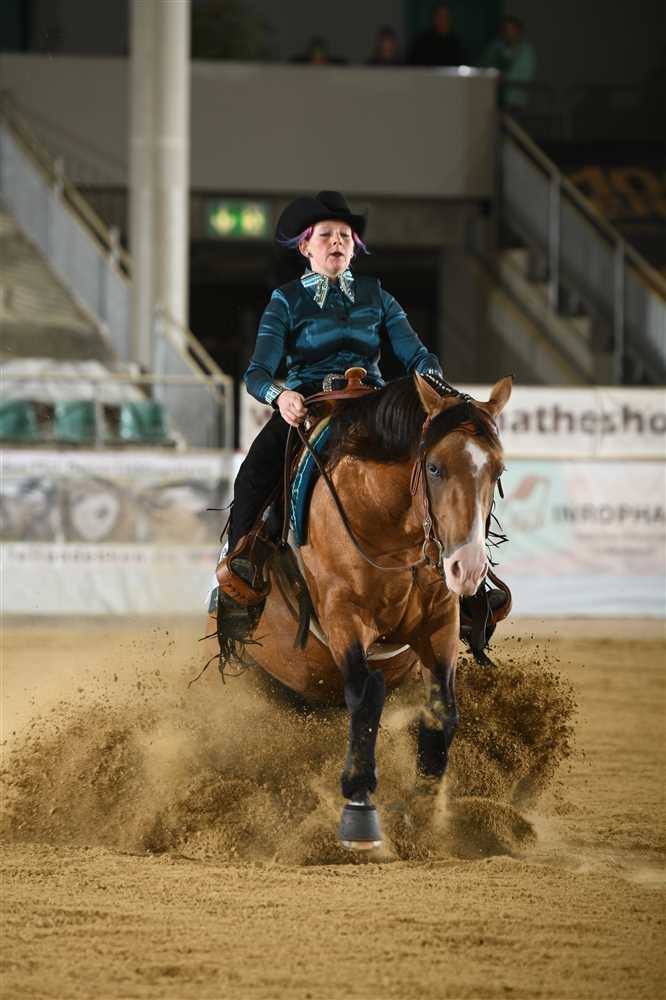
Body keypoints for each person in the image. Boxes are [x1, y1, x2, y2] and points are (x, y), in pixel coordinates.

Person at [216, 190, 444, 614]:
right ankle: (240, 575)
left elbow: (417, 355)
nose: (337, 241)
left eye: (345, 235)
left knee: (446, 463)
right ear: (305, 247)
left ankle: (469, 581)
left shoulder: (378, 295)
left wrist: (431, 378)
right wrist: (281, 396)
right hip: (310, 405)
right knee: (254, 473)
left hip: (375, 405)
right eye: (326, 235)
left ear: (354, 248)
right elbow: (256, 374)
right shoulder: (286, 299)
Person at [480, 15, 535, 110]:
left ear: (518, 31)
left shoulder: (526, 51)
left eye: (510, 29)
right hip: (492, 99)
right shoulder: (496, 47)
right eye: (504, 29)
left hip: (515, 100)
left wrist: (501, 78)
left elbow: (524, 75)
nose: (507, 32)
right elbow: (484, 66)